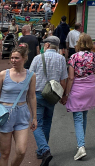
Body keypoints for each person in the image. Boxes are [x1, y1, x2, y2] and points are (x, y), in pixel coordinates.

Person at [0, 45, 37, 166]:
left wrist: (34, 117)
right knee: (5, 153)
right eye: (12, 58)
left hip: (22, 113)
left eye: (16, 58)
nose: (13, 60)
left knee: (21, 151)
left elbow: (32, 96)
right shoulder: (3, 74)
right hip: (4, 114)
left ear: (24, 58)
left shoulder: (31, 75)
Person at [62, 33, 95, 161]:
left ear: (79, 43)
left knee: (78, 118)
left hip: (77, 90)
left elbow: (70, 77)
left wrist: (66, 94)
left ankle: (81, 146)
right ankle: (81, 143)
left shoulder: (74, 57)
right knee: (84, 115)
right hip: (90, 89)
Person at [28, 36, 68, 164]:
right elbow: (63, 80)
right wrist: (63, 96)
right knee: (47, 122)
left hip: (38, 93)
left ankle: (44, 150)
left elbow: (30, 76)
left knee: (37, 123)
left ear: (47, 45)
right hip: (52, 95)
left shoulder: (37, 58)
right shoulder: (61, 59)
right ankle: (41, 151)